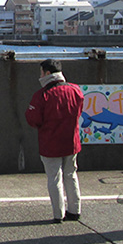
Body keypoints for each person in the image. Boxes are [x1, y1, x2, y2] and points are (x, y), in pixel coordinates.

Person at [25, 59, 84, 224]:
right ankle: (75, 210)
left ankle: (58, 214)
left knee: (54, 178)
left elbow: (33, 119)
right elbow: (78, 112)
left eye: (41, 72)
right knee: (71, 175)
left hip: (50, 142)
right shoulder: (75, 90)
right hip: (71, 141)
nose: (40, 76)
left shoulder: (42, 95)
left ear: (47, 73)